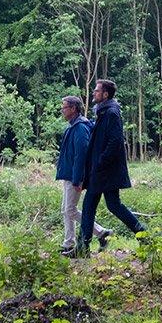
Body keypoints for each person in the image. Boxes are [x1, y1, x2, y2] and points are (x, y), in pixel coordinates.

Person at [77, 79, 146, 257]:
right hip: (99, 171)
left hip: (105, 171)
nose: (93, 93)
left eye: (97, 91)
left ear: (105, 95)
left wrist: (100, 162)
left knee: (112, 206)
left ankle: (145, 238)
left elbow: (115, 141)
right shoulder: (103, 112)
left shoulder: (111, 113)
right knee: (93, 207)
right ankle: (82, 247)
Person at [56, 95, 112, 255]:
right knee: (66, 210)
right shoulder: (73, 126)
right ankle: (68, 244)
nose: (62, 110)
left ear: (73, 109)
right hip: (69, 174)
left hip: (74, 176)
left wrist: (77, 178)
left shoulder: (80, 127)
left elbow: (81, 154)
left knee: (71, 210)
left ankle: (102, 233)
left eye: (64, 107)